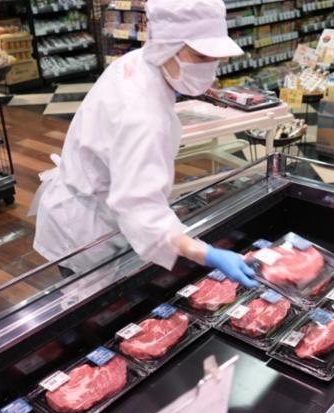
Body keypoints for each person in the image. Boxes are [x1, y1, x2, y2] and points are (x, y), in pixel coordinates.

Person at [32, 0, 258, 287]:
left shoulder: (140, 61)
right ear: (167, 46)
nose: (210, 67)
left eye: (215, 58)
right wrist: (207, 254)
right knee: (96, 306)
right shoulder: (141, 115)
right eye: (201, 56)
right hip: (89, 229)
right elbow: (140, 211)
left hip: (86, 203)